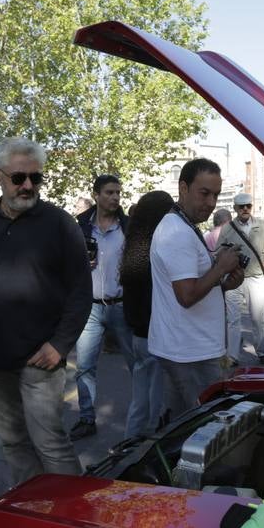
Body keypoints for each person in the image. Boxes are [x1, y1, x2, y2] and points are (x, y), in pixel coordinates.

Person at [0, 137, 91, 485]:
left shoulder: (60, 224)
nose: (28, 185)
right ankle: (32, 514)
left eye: (35, 178)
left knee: (51, 444)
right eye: (19, 178)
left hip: (41, 359)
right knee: (14, 443)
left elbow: (80, 293)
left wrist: (60, 345)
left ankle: (73, 520)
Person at [149, 158, 244, 417]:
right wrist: (220, 268)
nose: (212, 203)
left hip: (187, 348)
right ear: (183, 188)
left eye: (215, 194)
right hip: (191, 352)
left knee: (182, 426)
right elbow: (186, 296)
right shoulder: (177, 232)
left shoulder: (182, 226)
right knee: (205, 427)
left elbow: (189, 287)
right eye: (204, 193)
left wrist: (222, 285)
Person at [70, 173, 151, 440]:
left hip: (122, 306)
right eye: (109, 192)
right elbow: (64, 263)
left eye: (118, 192)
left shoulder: (128, 226)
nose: (115, 197)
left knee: (137, 364)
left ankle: (144, 421)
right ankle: (86, 418)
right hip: (90, 307)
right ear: (96, 195)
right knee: (84, 366)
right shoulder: (80, 225)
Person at [119, 191, 172, 433]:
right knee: (156, 403)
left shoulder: (133, 247)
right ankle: (146, 452)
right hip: (156, 334)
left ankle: (129, 443)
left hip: (138, 334)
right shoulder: (159, 248)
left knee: (139, 400)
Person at [218, 192, 264, 364]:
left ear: (252, 206)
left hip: (257, 278)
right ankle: (232, 356)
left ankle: (261, 350)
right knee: (233, 320)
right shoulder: (227, 228)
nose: (245, 209)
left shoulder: (263, 226)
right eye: (241, 206)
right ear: (235, 208)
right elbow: (218, 252)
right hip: (234, 278)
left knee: (258, 319)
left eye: (248, 206)